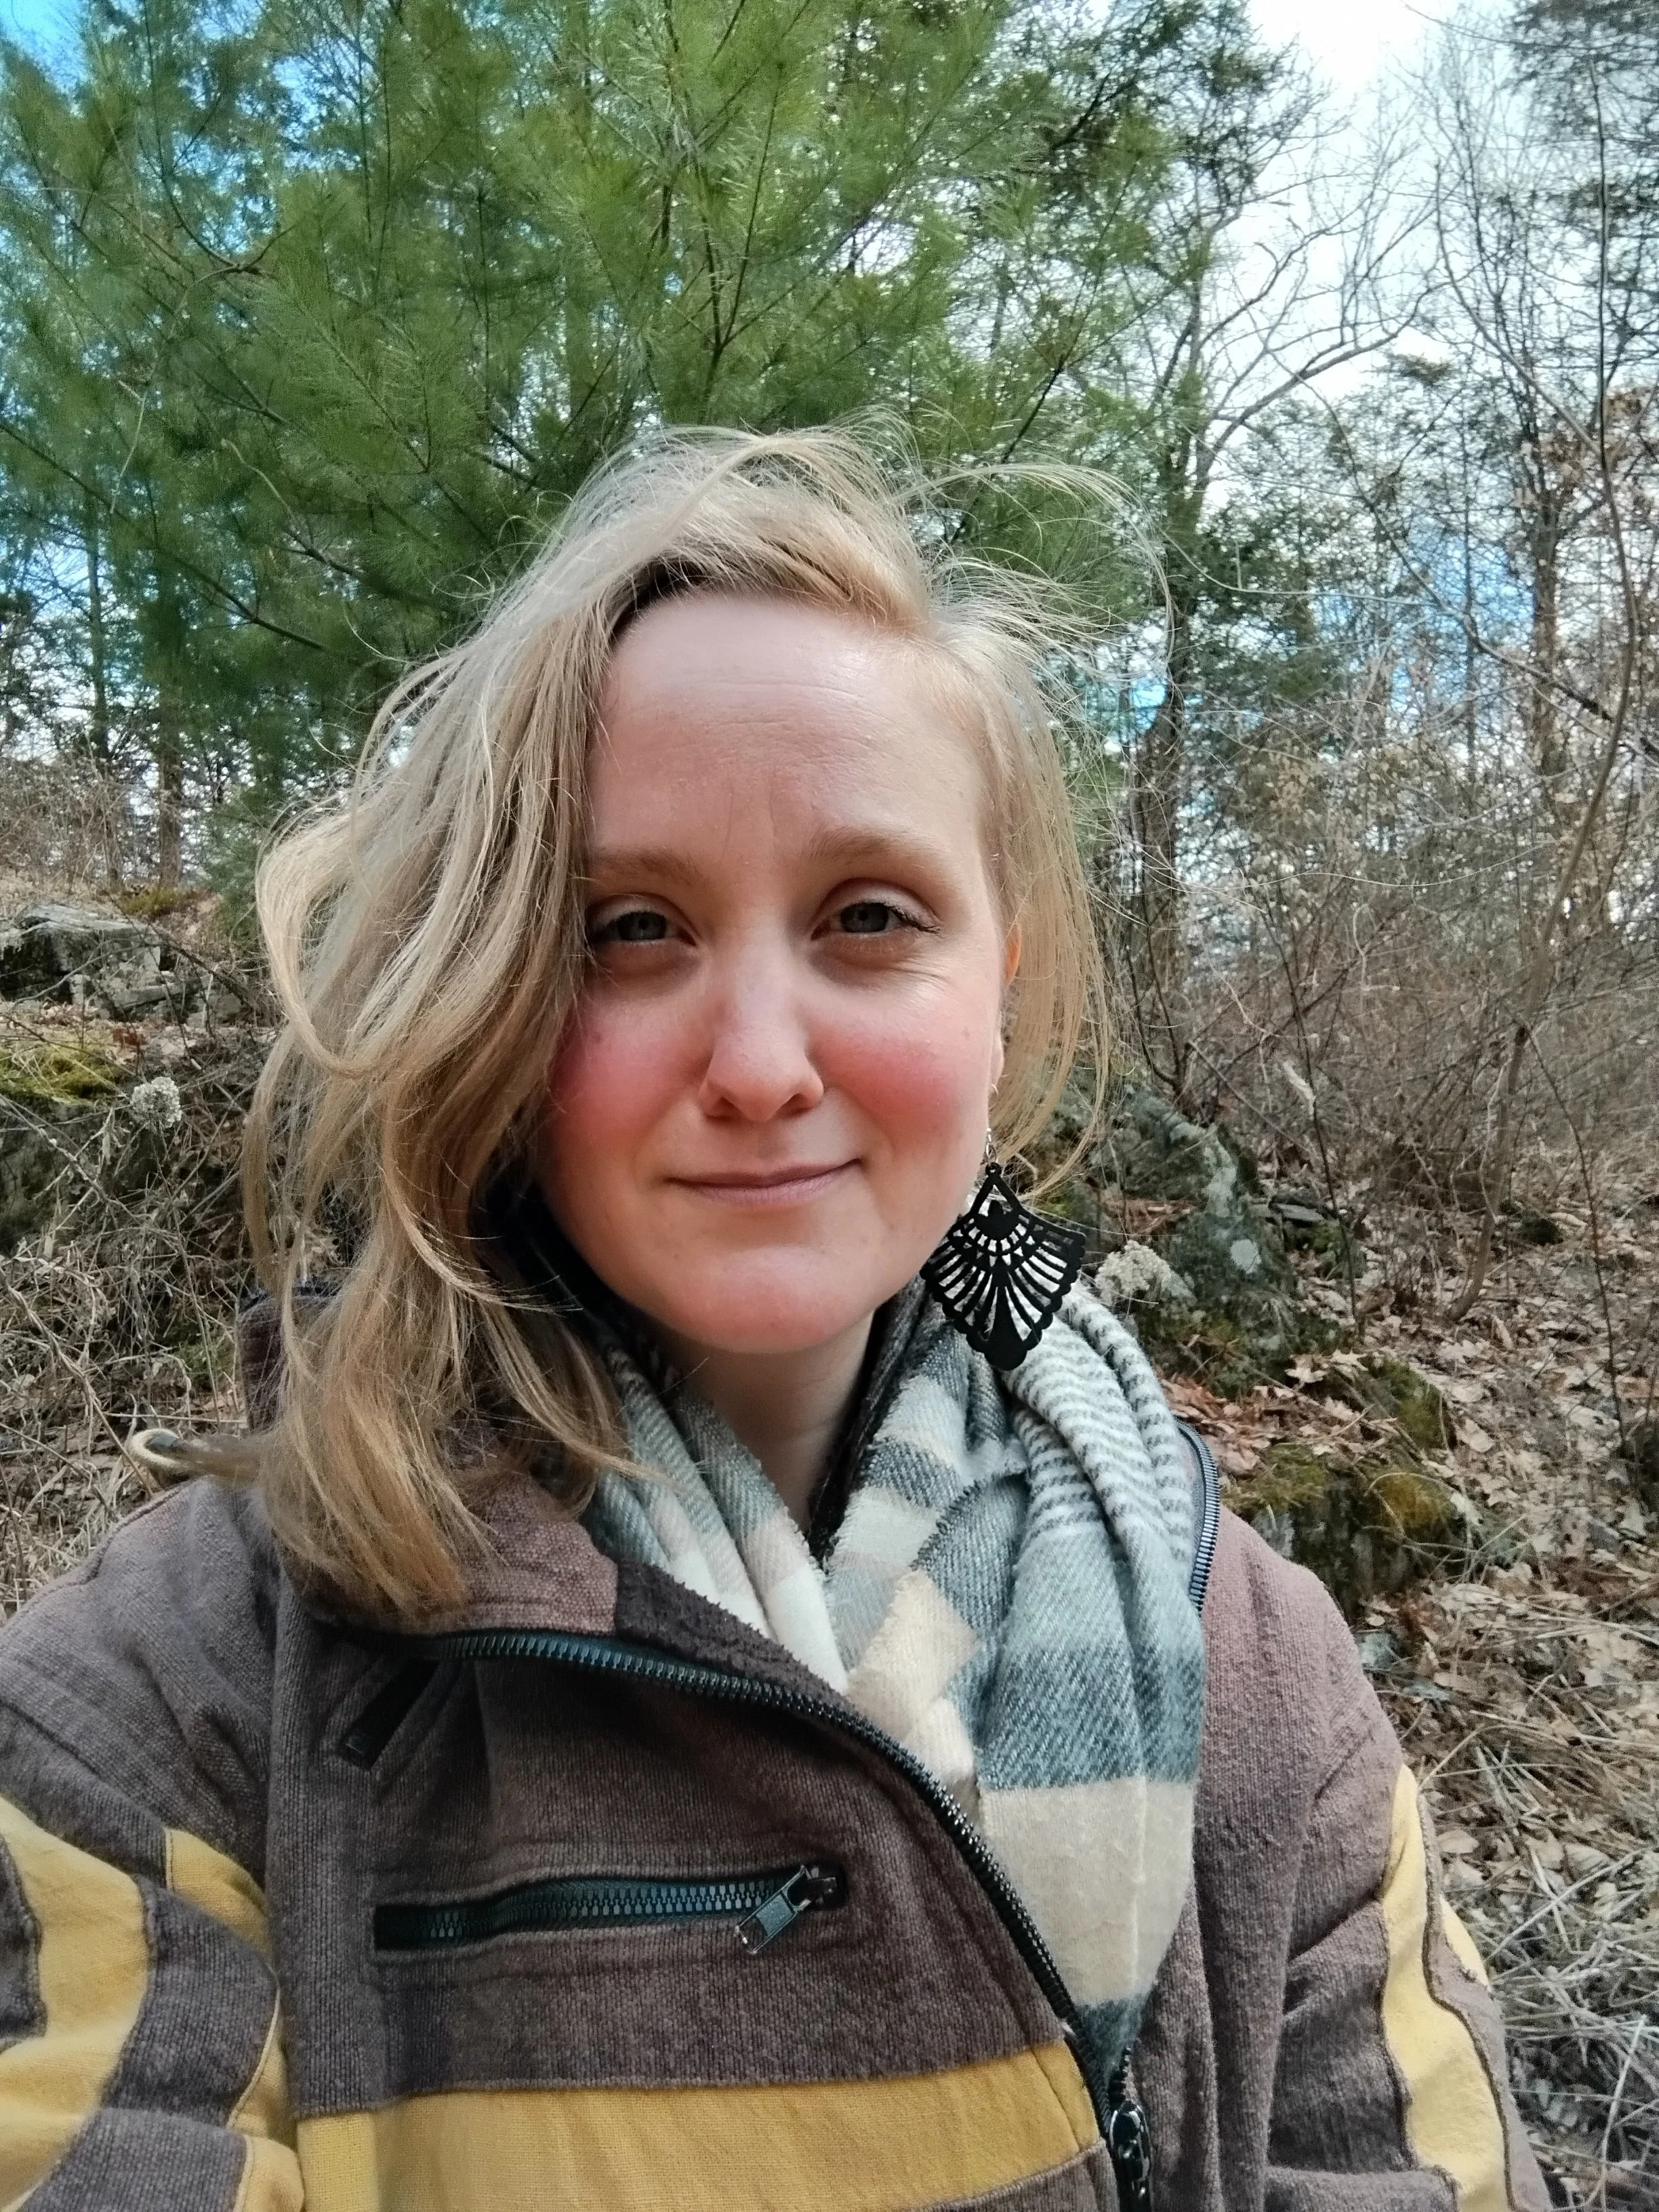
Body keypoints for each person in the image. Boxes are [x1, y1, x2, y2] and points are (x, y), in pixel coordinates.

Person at [0, 428, 1547, 2211]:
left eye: (869, 918)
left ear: (1003, 983)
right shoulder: (164, 1706)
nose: (755, 1065)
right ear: (498, 988)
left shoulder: (1264, 1693)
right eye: (632, 928)